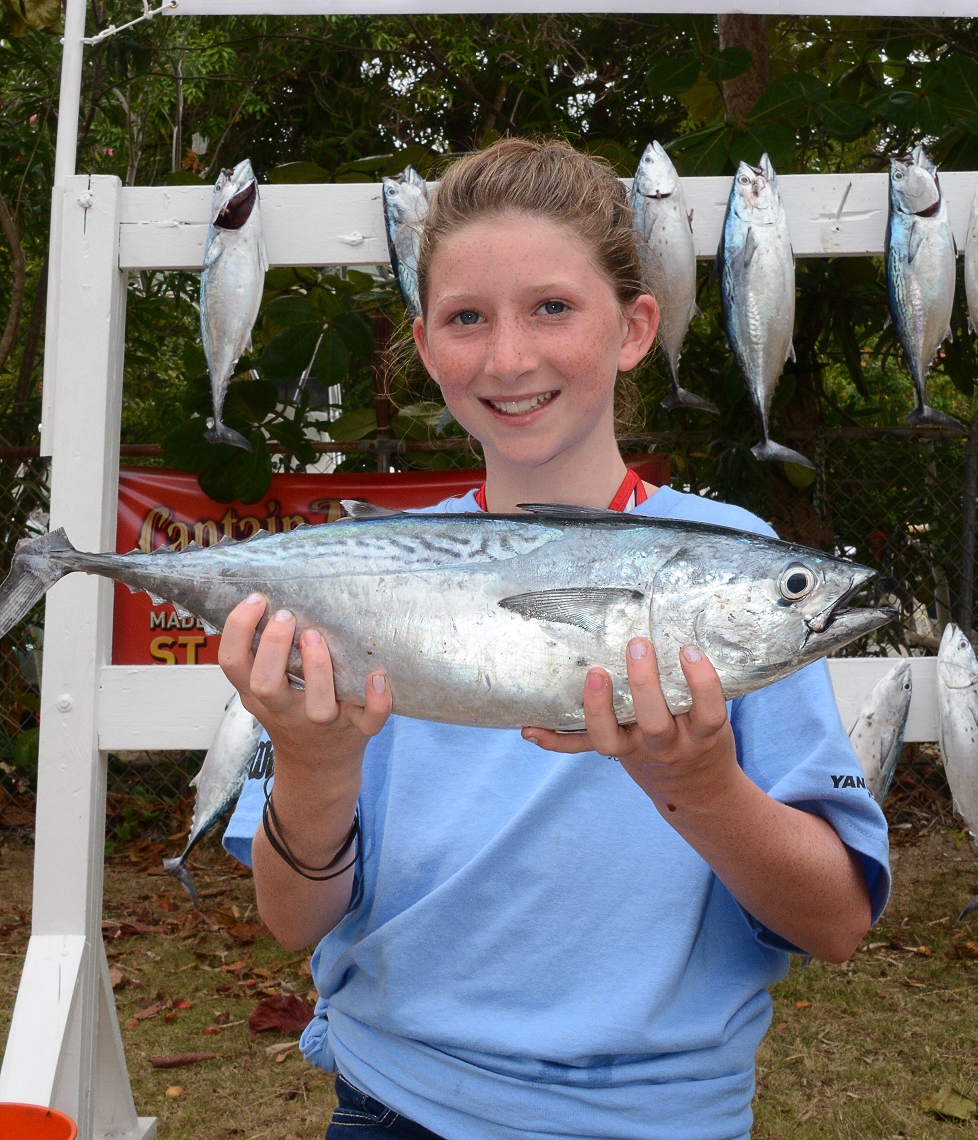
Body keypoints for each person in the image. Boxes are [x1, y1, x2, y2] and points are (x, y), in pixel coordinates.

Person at [220, 138, 889, 1140]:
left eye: (552, 308)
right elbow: (291, 921)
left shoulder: (738, 561)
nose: (509, 357)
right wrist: (317, 767)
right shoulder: (356, 577)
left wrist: (702, 787)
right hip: (398, 1105)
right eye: (466, 319)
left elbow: (833, 924)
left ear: (634, 327)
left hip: (667, 1120)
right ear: (427, 345)